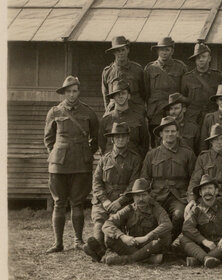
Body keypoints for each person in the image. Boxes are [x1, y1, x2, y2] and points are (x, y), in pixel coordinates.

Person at [44, 75, 99, 252]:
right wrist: (57, 153)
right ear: (64, 93)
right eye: (69, 91)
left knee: (77, 203)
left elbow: (96, 139)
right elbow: (48, 139)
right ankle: (58, 243)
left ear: (79, 92)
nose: (72, 94)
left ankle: (77, 240)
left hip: (81, 164)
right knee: (59, 203)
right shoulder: (54, 112)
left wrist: (85, 153)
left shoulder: (89, 112)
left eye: (75, 91)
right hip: (58, 165)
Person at [84, 121, 140, 262]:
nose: (120, 139)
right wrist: (105, 200)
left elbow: (134, 183)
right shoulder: (104, 159)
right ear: (112, 139)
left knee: (114, 224)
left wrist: (120, 201)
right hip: (105, 201)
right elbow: (96, 182)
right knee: (99, 220)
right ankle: (98, 248)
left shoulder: (135, 159)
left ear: (128, 139)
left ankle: (101, 249)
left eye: (123, 136)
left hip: (123, 200)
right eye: (117, 137)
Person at [139, 115, 196, 237]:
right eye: (166, 131)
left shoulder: (187, 154)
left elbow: (194, 179)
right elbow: (145, 178)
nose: (170, 134)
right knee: (150, 216)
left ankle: (168, 244)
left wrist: (191, 198)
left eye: (173, 131)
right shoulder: (152, 155)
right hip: (157, 195)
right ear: (161, 134)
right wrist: (145, 196)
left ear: (177, 133)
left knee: (179, 215)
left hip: (179, 196)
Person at [100, 178, 172, 266]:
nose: (141, 199)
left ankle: (127, 259)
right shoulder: (129, 209)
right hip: (132, 245)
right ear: (133, 197)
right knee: (109, 237)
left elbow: (167, 224)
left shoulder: (156, 208)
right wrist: (123, 236)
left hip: (148, 246)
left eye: (144, 195)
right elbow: (107, 224)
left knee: (164, 238)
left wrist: (147, 237)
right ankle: (147, 259)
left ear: (149, 195)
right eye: (137, 196)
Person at [179, 173, 222, 268]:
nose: (207, 191)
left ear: (216, 191)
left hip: (220, 245)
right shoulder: (196, 209)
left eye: (210, 188)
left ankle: (200, 259)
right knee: (183, 239)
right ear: (200, 193)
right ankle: (206, 259)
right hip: (202, 246)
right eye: (204, 189)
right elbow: (187, 227)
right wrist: (204, 241)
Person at [143, 37, 188, 130]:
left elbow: (184, 91)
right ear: (157, 51)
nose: (164, 52)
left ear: (172, 51)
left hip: (173, 110)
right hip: (155, 111)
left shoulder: (180, 67)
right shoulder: (150, 68)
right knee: (156, 137)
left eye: (167, 50)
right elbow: (146, 92)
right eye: (162, 50)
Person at [98, 79, 149, 157]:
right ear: (113, 97)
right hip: (111, 163)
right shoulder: (106, 119)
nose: (120, 96)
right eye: (117, 94)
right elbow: (102, 146)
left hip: (133, 164)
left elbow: (144, 145)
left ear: (129, 96)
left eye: (123, 93)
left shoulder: (139, 118)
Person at [181, 40, 222, 137]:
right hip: (193, 118)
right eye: (198, 57)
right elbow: (183, 98)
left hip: (212, 115)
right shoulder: (187, 78)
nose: (201, 60)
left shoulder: (217, 76)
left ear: (209, 58)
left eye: (204, 56)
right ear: (195, 60)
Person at [100, 35, 145, 119]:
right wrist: (108, 110)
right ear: (113, 52)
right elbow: (106, 95)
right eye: (117, 51)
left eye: (123, 50)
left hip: (135, 110)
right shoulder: (107, 72)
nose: (121, 53)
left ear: (128, 50)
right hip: (115, 112)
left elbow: (144, 92)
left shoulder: (137, 69)